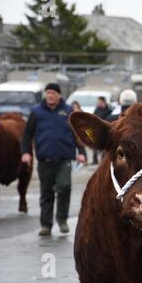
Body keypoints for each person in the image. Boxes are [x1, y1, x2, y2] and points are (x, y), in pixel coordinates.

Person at [21, 83, 87, 236]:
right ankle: (46, 225)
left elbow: (77, 134)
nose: (50, 96)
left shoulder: (68, 111)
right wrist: (26, 152)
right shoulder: (37, 112)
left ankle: (62, 219)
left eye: (53, 93)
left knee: (64, 187)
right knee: (46, 192)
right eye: (48, 93)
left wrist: (82, 152)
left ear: (59, 95)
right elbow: (27, 134)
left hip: (64, 159)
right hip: (45, 160)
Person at [92, 96, 112, 164]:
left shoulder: (109, 111)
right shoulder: (97, 110)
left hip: (105, 131)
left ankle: (104, 161)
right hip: (97, 131)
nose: (98, 103)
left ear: (103, 102)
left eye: (99, 102)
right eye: (98, 102)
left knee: (104, 148)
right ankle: (95, 160)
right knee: (94, 146)